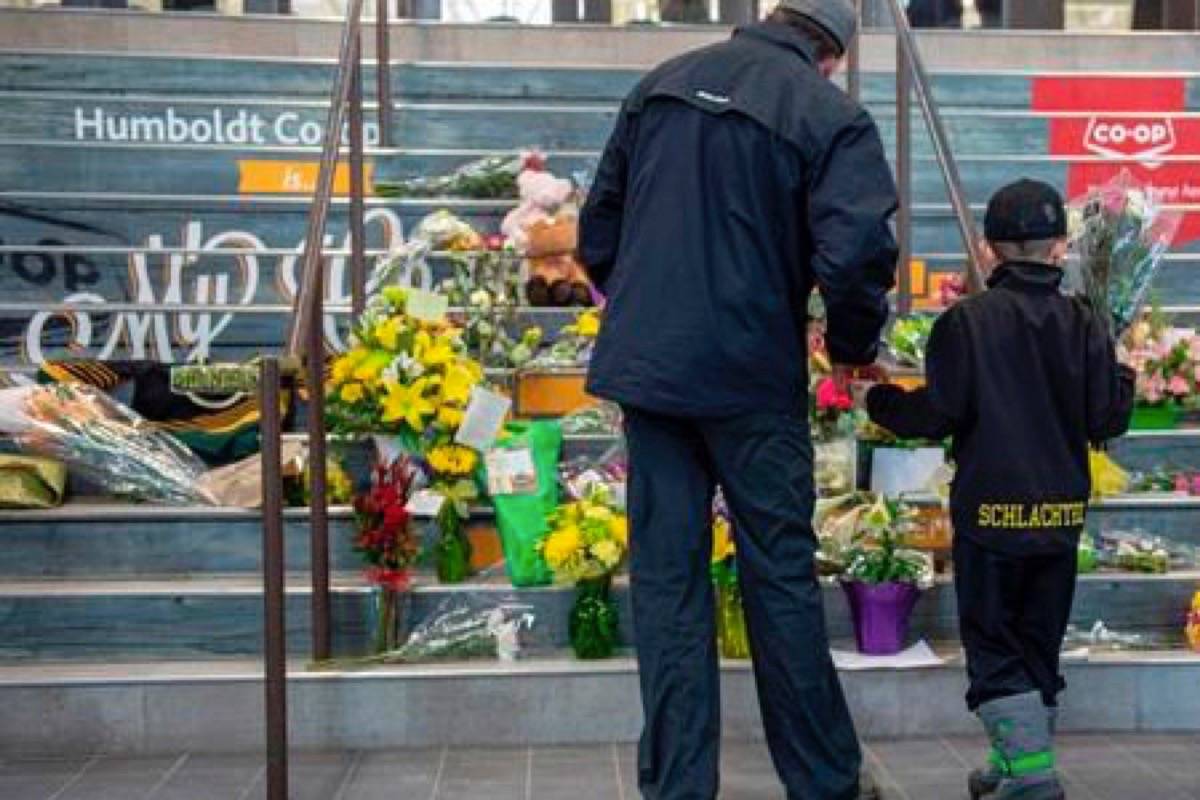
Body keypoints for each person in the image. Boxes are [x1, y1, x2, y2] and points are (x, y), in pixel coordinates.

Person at [577, 1, 899, 797]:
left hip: (652, 377)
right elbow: (858, 252)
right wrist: (854, 346)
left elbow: (597, 234)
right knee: (779, 579)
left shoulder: (660, 84)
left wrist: (654, 311)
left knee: (667, 585)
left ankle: (679, 787)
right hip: (752, 379)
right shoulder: (830, 113)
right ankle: (823, 782)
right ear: (830, 55)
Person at [866, 179, 1135, 800]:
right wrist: (1118, 365)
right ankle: (1013, 760)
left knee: (992, 642)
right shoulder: (1087, 321)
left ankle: (1031, 773)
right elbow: (1107, 421)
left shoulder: (967, 322)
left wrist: (877, 399)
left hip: (992, 516)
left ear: (989, 251)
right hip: (1061, 515)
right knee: (1038, 638)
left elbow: (939, 413)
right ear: (1060, 248)